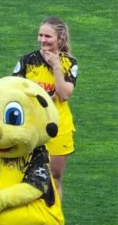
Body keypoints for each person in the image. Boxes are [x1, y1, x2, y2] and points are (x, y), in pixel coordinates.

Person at [12, 16, 77, 198]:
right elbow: (13, 91)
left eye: (48, 36)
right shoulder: (27, 61)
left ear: (60, 38)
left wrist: (56, 66)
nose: (42, 40)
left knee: (54, 178)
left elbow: (64, 95)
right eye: (40, 35)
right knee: (24, 177)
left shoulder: (68, 64)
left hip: (58, 128)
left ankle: (54, 222)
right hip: (31, 128)